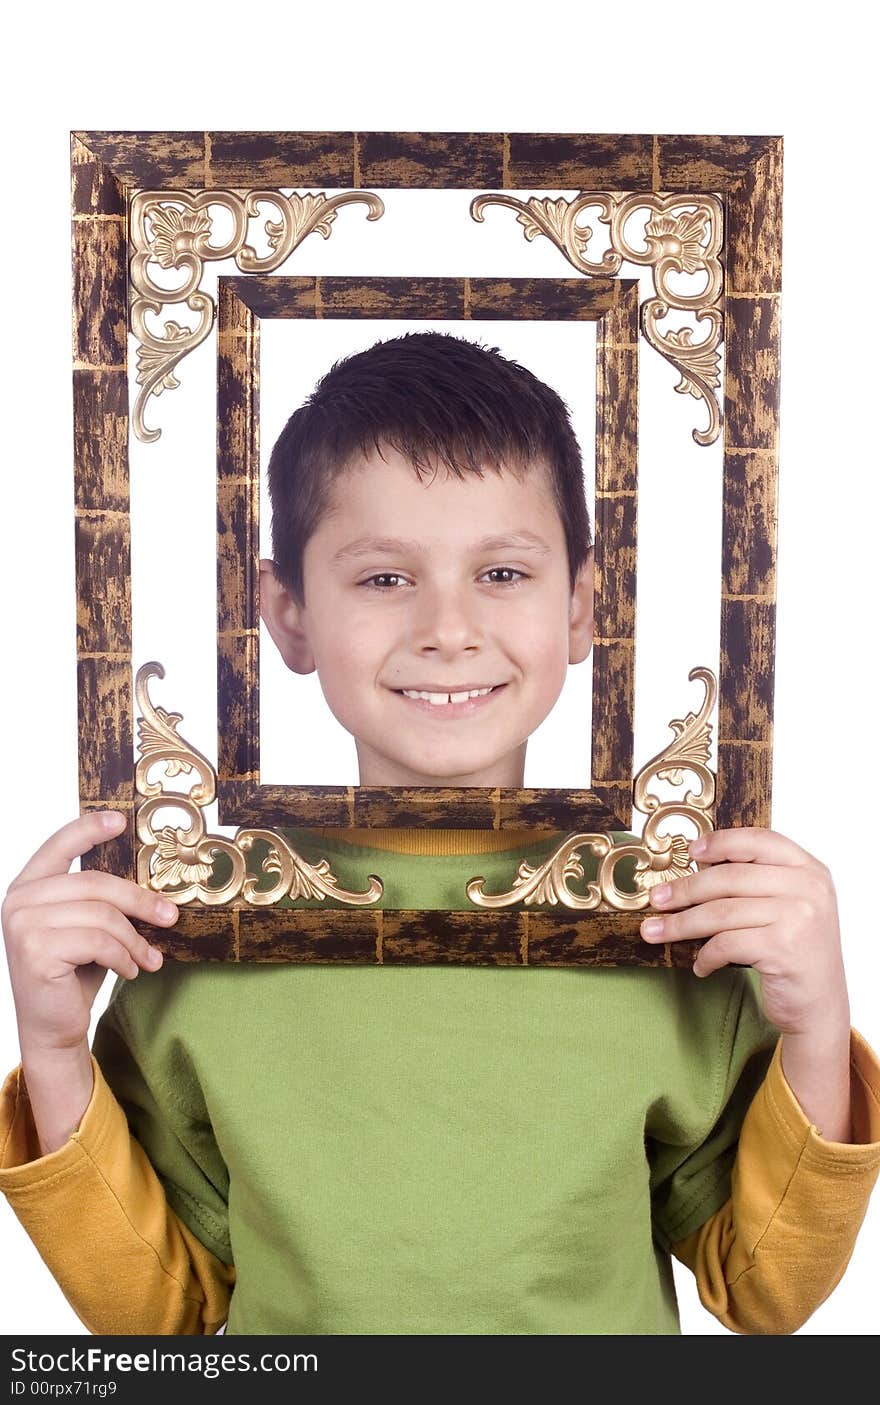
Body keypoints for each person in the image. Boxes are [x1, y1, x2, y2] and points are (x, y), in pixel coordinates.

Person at [1, 332, 878, 1336]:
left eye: (502, 572)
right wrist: (58, 1050)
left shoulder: (668, 916)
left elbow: (763, 1292)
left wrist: (817, 1026)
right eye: (383, 579)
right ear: (286, 613)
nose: (447, 627)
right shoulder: (207, 920)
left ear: (585, 603)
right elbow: (160, 1315)